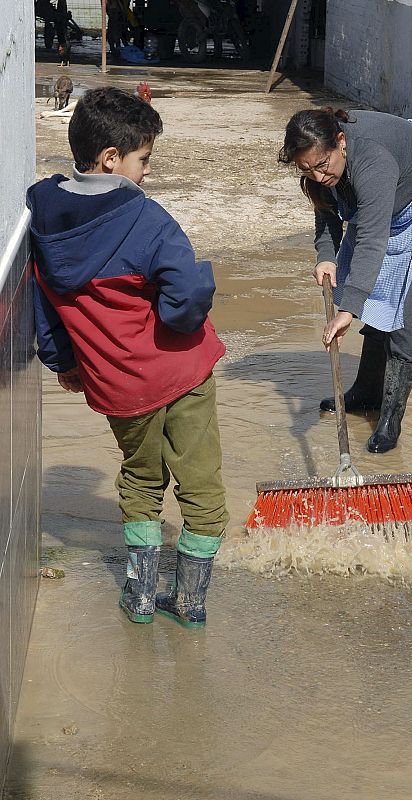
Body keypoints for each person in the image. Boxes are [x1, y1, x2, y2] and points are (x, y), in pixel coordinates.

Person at [27, 87, 229, 627]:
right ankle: (189, 604)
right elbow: (186, 296)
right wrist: (183, 309)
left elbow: (43, 307)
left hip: (118, 386)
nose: (148, 171)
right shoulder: (146, 219)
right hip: (182, 372)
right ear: (111, 158)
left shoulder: (42, 217)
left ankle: (139, 598)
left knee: (140, 481)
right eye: (144, 159)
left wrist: (65, 363)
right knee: (201, 485)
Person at [279, 108, 412, 453]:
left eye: (322, 165)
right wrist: (326, 255)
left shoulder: (372, 160)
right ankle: (368, 392)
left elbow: (371, 240)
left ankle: (389, 421)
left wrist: (347, 310)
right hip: (393, 206)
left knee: (406, 313)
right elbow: (326, 210)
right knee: (377, 295)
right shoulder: (324, 161)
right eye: (306, 170)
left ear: (341, 142)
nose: (318, 176)